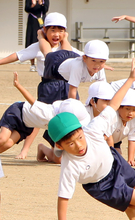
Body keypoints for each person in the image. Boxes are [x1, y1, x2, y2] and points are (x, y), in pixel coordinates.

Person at [48, 59, 135, 220]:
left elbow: (114, 105)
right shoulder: (70, 165)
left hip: (116, 163)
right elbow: (63, 198)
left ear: (82, 129)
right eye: (70, 144)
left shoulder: (92, 129)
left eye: (80, 137)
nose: (79, 145)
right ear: (60, 145)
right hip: (102, 185)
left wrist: (131, 78)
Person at [0, 12, 82, 159]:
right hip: (48, 87)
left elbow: (83, 58)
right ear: (45, 30)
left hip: (67, 86)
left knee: (69, 118)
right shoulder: (38, 46)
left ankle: (55, 148)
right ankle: (25, 149)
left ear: (65, 32)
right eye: (53, 30)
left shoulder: (67, 48)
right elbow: (18, 55)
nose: (56, 34)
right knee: (39, 115)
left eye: (60, 30)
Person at [1, 72, 90, 164]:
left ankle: (42, 148)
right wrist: (18, 85)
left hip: (26, 126)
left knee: (8, 143)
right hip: (17, 112)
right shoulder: (50, 114)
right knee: (3, 139)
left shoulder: (63, 123)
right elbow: (32, 101)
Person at [39, 37, 108, 100]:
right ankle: (40, 36)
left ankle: (64, 39)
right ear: (84, 58)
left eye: (101, 61)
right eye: (93, 60)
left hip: (70, 59)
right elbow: (72, 90)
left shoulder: (99, 69)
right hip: (56, 64)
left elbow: (103, 88)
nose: (97, 65)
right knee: (47, 53)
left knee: (67, 50)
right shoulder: (78, 66)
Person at [110, 89, 135, 166]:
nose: (130, 113)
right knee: (112, 159)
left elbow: (133, 140)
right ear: (119, 107)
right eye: (127, 109)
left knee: (119, 159)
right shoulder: (113, 116)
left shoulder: (134, 120)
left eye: (134, 110)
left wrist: (131, 160)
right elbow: (107, 137)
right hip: (103, 141)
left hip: (116, 141)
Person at [25, 0, 49, 72]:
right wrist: (32, 5)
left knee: (44, 40)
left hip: (41, 20)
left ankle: (45, 63)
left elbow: (46, 9)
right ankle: (32, 64)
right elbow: (26, 9)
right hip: (32, 21)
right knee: (31, 40)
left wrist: (41, 4)